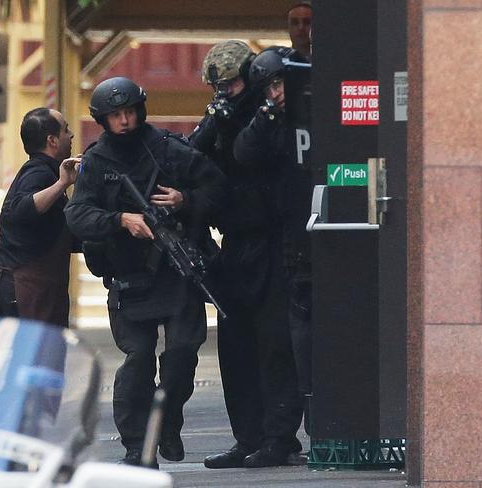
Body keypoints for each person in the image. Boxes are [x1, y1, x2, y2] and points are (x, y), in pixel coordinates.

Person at [64, 77, 225, 468]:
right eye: (115, 115)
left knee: (183, 354)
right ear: (103, 120)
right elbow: (76, 215)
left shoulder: (169, 150)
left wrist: (185, 201)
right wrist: (121, 220)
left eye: (130, 112)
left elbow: (219, 188)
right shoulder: (97, 161)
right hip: (129, 277)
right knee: (137, 360)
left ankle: (168, 420)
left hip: (176, 272)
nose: (125, 121)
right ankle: (138, 445)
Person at [190, 41, 303, 469]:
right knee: (235, 349)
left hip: (275, 241)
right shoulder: (220, 117)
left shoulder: (275, 116)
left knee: (274, 344)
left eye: (234, 82)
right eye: (220, 86)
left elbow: (255, 154)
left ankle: (279, 437)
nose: (227, 92)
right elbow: (195, 155)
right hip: (235, 242)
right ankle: (247, 437)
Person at [234, 47, 314, 439]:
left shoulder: (317, 112)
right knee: (279, 343)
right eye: (272, 86)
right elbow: (244, 154)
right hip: (281, 243)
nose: (279, 92)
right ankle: (280, 435)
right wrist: (268, 117)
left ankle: (318, 425)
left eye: (283, 83)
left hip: (319, 236)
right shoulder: (265, 121)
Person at [0, 107, 80, 328]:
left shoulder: (43, 171)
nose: (72, 135)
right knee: (33, 360)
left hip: (30, 292)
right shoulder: (39, 174)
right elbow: (18, 210)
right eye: (66, 130)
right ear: (52, 140)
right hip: (26, 294)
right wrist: (62, 184)